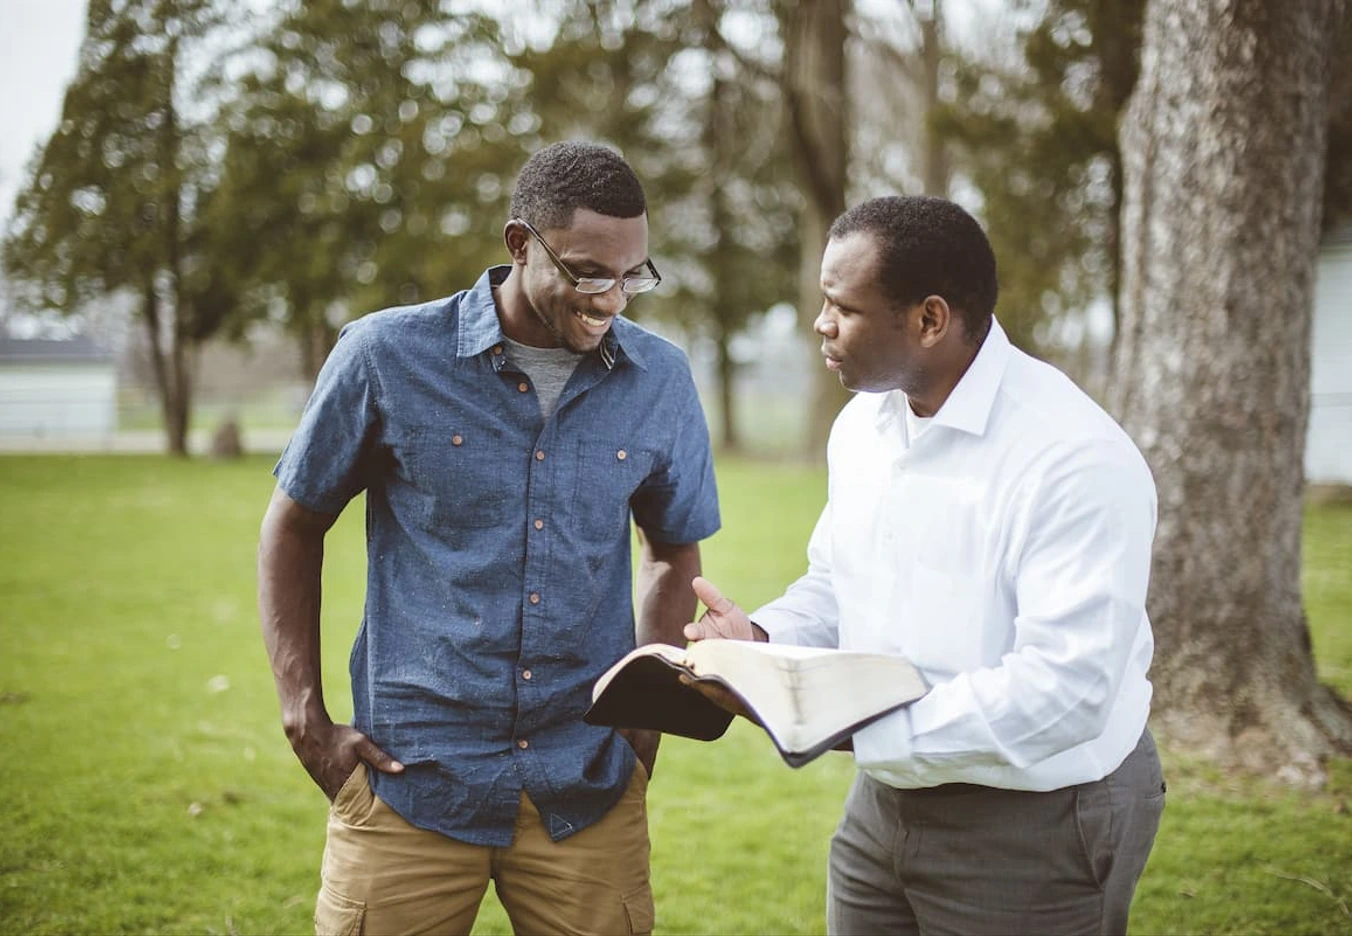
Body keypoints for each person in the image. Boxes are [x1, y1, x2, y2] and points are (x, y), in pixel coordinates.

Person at [257, 140, 720, 936]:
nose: (612, 297)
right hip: (410, 783)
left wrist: (643, 725)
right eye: (586, 271)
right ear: (519, 244)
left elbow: (674, 551)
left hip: (588, 785)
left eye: (632, 273)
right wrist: (305, 714)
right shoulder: (384, 356)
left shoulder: (662, 380)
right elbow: (293, 526)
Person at [685, 195, 1165, 935]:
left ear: (929, 320)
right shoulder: (865, 427)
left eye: (842, 306)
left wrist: (853, 729)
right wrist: (762, 643)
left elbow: (1067, 690)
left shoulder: (1073, 460)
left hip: (1035, 820)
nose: (819, 323)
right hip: (882, 812)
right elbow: (839, 582)